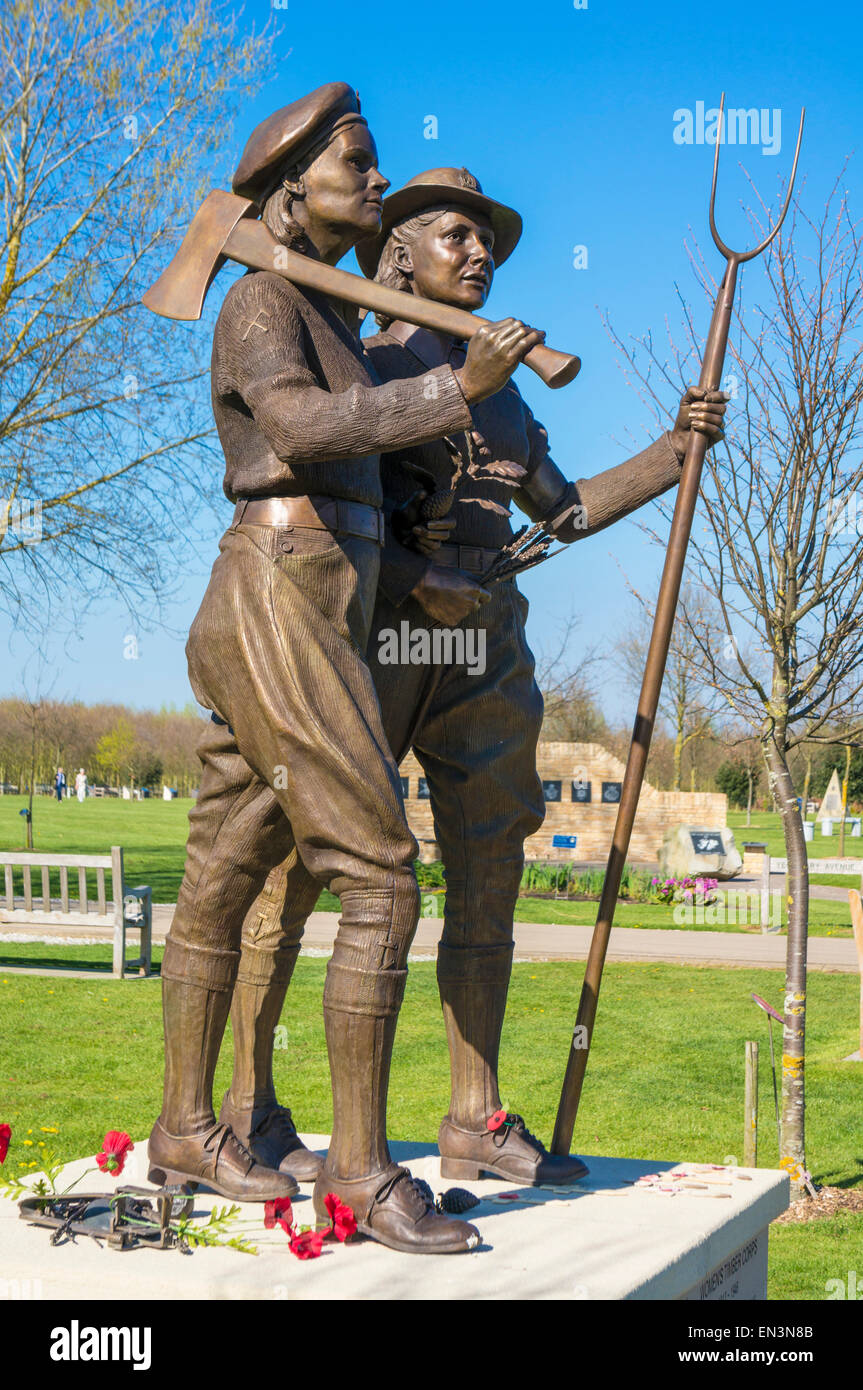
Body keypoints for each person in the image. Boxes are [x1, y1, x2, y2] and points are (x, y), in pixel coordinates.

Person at [225, 167, 727, 1185]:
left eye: (486, 240)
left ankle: (473, 1114)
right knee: (298, 868)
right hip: (380, 634)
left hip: (485, 649)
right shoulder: (363, 367)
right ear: (398, 251)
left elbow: (564, 510)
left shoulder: (503, 395)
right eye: (454, 234)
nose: (478, 252)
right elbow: (332, 506)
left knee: (488, 871)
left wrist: (672, 450)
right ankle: (247, 1103)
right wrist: (419, 575)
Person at [148, 90, 542, 1253]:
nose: (376, 185)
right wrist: (447, 392)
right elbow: (305, 431)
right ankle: (365, 1178)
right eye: (358, 167)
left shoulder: (323, 302)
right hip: (277, 588)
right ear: (286, 190)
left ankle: (188, 1126)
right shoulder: (264, 299)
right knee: (377, 874)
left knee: (228, 862)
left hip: (320, 594)